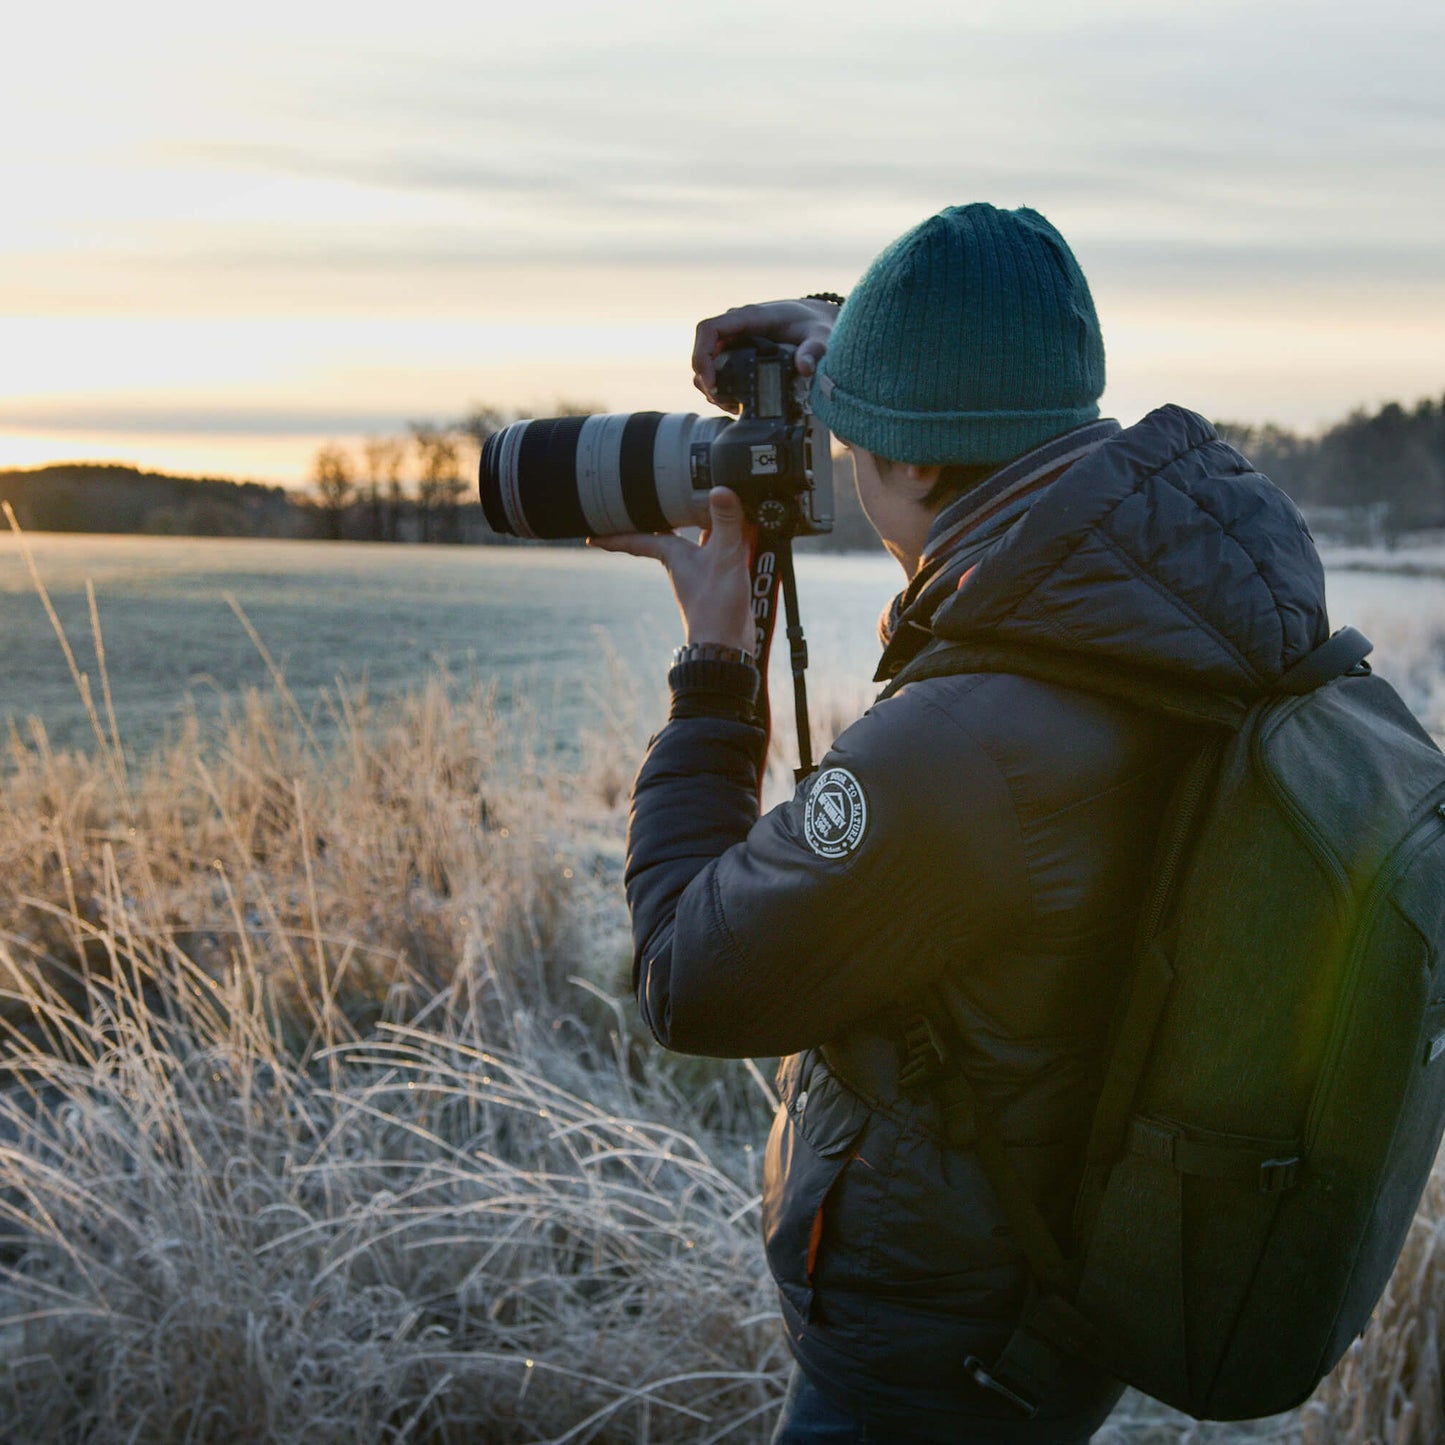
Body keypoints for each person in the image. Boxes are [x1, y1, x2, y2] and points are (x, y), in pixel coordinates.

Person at [589, 204, 1329, 1443]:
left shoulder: (957, 753)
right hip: (1041, 1306)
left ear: (918, 463)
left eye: (854, 435)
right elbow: (1013, 467)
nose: (833, 454)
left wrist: (715, 664)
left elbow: (685, 977)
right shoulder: (1184, 595)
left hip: (919, 1366)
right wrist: (867, 342)